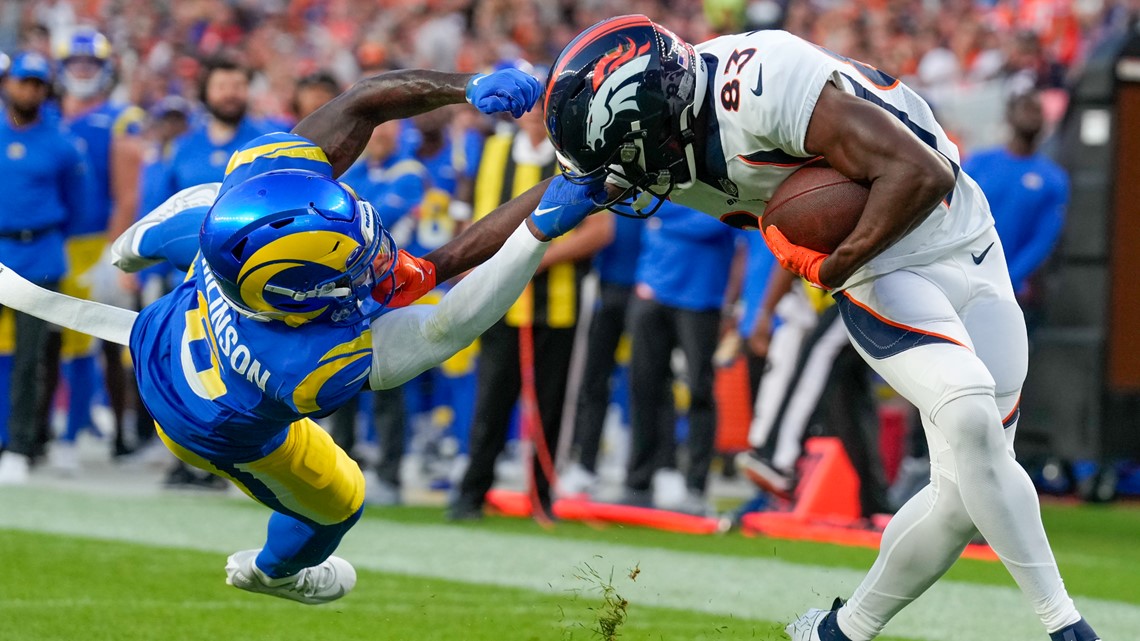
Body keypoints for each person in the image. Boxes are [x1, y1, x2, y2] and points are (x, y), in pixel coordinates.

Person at [543, 15, 1097, 641]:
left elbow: (921, 173)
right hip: (886, 269)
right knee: (968, 413)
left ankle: (839, 632)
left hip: (955, 233)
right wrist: (444, 266)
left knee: (963, 497)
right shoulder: (670, 127)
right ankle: (1067, 626)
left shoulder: (759, 80)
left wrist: (830, 263)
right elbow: (542, 209)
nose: (628, 175)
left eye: (625, 151)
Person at [102, 65, 604, 605]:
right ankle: (272, 572)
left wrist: (469, 85)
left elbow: (364, 101)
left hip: (184, 314)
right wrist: (538, 228)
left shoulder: (259, 189)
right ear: (300, 301)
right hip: (200, 419)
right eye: (348, 265)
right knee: (340, 501)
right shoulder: (309, 366)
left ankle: (133, 245)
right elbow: (449, 322)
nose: (372, 254)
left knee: (204, 209)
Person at [449, 88, 613, 521]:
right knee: (491, 398)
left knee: (551, 402)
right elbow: (467, 220)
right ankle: (471, 494)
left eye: (540, 105)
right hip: (498, 300)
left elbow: (599, 232)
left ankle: (543, 497)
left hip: (556, 301)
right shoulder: (490, 151)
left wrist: (534, 257)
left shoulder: (578, 158)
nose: (530, 114)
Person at [46, 27, 146, 466]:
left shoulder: (121, 118)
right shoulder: (46, 115)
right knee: (46, 342)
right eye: (75, 64)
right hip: (50, 239)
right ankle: (54, 428)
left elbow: (127, 193)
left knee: (87, 342)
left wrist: (113, 252)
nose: (83, 72)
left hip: (93, 243)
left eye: (90, 64)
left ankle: (78, 433)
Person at [0, 51, 89, 485]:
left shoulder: (60, 144)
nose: (29, 90)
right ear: (8, 84)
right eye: (23, 82)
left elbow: (76, 207)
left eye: (37, 83)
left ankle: (21, 444)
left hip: (39, 253)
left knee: (31, 357)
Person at [617, 201, 739, 515]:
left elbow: (716, 221)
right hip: (652, 289)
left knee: (700, 391)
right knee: (644, 386)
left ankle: (695, 486)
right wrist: (683, 217)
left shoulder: (715, 171)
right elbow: (640, 206)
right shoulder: (663, 169)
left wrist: (665, 219)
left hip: (702, 297)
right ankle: (638, 481)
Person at [963, 89, 1069, 301]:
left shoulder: (1053, 178)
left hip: (1016, 294)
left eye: (1037, 110)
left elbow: (1044, 239)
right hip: (967, 281)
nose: (1032, 115)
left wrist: (1008, 280)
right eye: (1026, 109)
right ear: (1009, 117)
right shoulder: (977, 164)